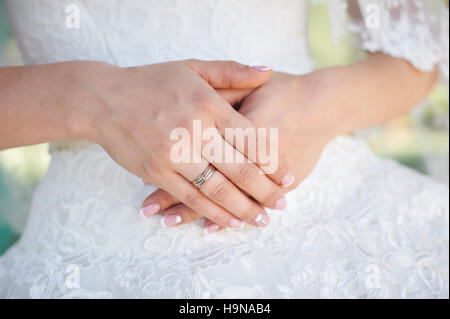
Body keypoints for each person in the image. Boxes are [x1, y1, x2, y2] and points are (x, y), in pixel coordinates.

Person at [0, 0, 448, 298]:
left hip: (333, 200)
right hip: (89, 242)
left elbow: (415, 54)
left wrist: (315, 105)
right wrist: (98, 100)